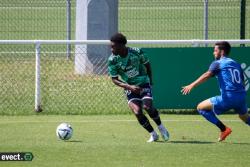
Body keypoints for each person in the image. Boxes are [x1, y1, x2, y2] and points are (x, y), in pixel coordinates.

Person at [181, 41, 249, 142]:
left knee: (200, 108)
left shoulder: (218, 63)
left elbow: (207, 75)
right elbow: (242, 83)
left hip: (228, 98)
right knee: (244, 117)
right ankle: (225, 129)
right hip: (241, 97)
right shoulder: (236, 63)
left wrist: (191, 85)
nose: (213, 53)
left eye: (215, 50)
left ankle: (224, 129)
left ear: (221, 52)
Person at [107, 33, 169, 142]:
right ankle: (153, 134)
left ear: (122, 45)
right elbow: (114, 79)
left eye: (113, 46)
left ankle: (161, 127)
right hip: (129, 87)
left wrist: (150, 81)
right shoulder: (112, 60)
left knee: (148, 107)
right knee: (137, 111)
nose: (111, 49)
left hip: (144, 83)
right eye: (111, 46)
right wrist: (129, 87)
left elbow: (147, 65)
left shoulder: (137, 52)